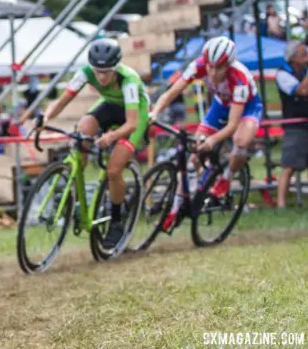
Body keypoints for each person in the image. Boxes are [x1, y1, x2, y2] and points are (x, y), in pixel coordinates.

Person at [36, 38, 149, 249]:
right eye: (98, 71)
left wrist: (111, 137)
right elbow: (63, 100)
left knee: (114, 170)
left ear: (116, 68)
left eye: (106, 72)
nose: (101, 76)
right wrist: (46, 117)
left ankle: (117, 220)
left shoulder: (129, 80)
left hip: (134, 113)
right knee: (82, 132)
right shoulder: (86, 72)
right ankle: (80, 193)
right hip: (108, 105)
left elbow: (132, 123)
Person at [151, 36, 262, 230]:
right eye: (210, 66)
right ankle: (176, 209)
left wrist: (213, 140)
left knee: (241, 141)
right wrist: (154, 112)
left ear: (228, 65)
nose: (212, 72)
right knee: (194, 155)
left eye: (219, 68)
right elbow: (171, 93)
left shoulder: (240, 79)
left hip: (247, 109)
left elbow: (233, 124)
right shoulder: (198, 66)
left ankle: (226, 178)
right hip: (221, 104)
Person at [275, 41, 308, 209]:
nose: (306, 56)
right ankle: (281, 205)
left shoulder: (304, 71)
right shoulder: (282, 74)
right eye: (303, 54)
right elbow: (302, 90)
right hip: (295, 127)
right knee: (289, 167)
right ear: (293, 58)